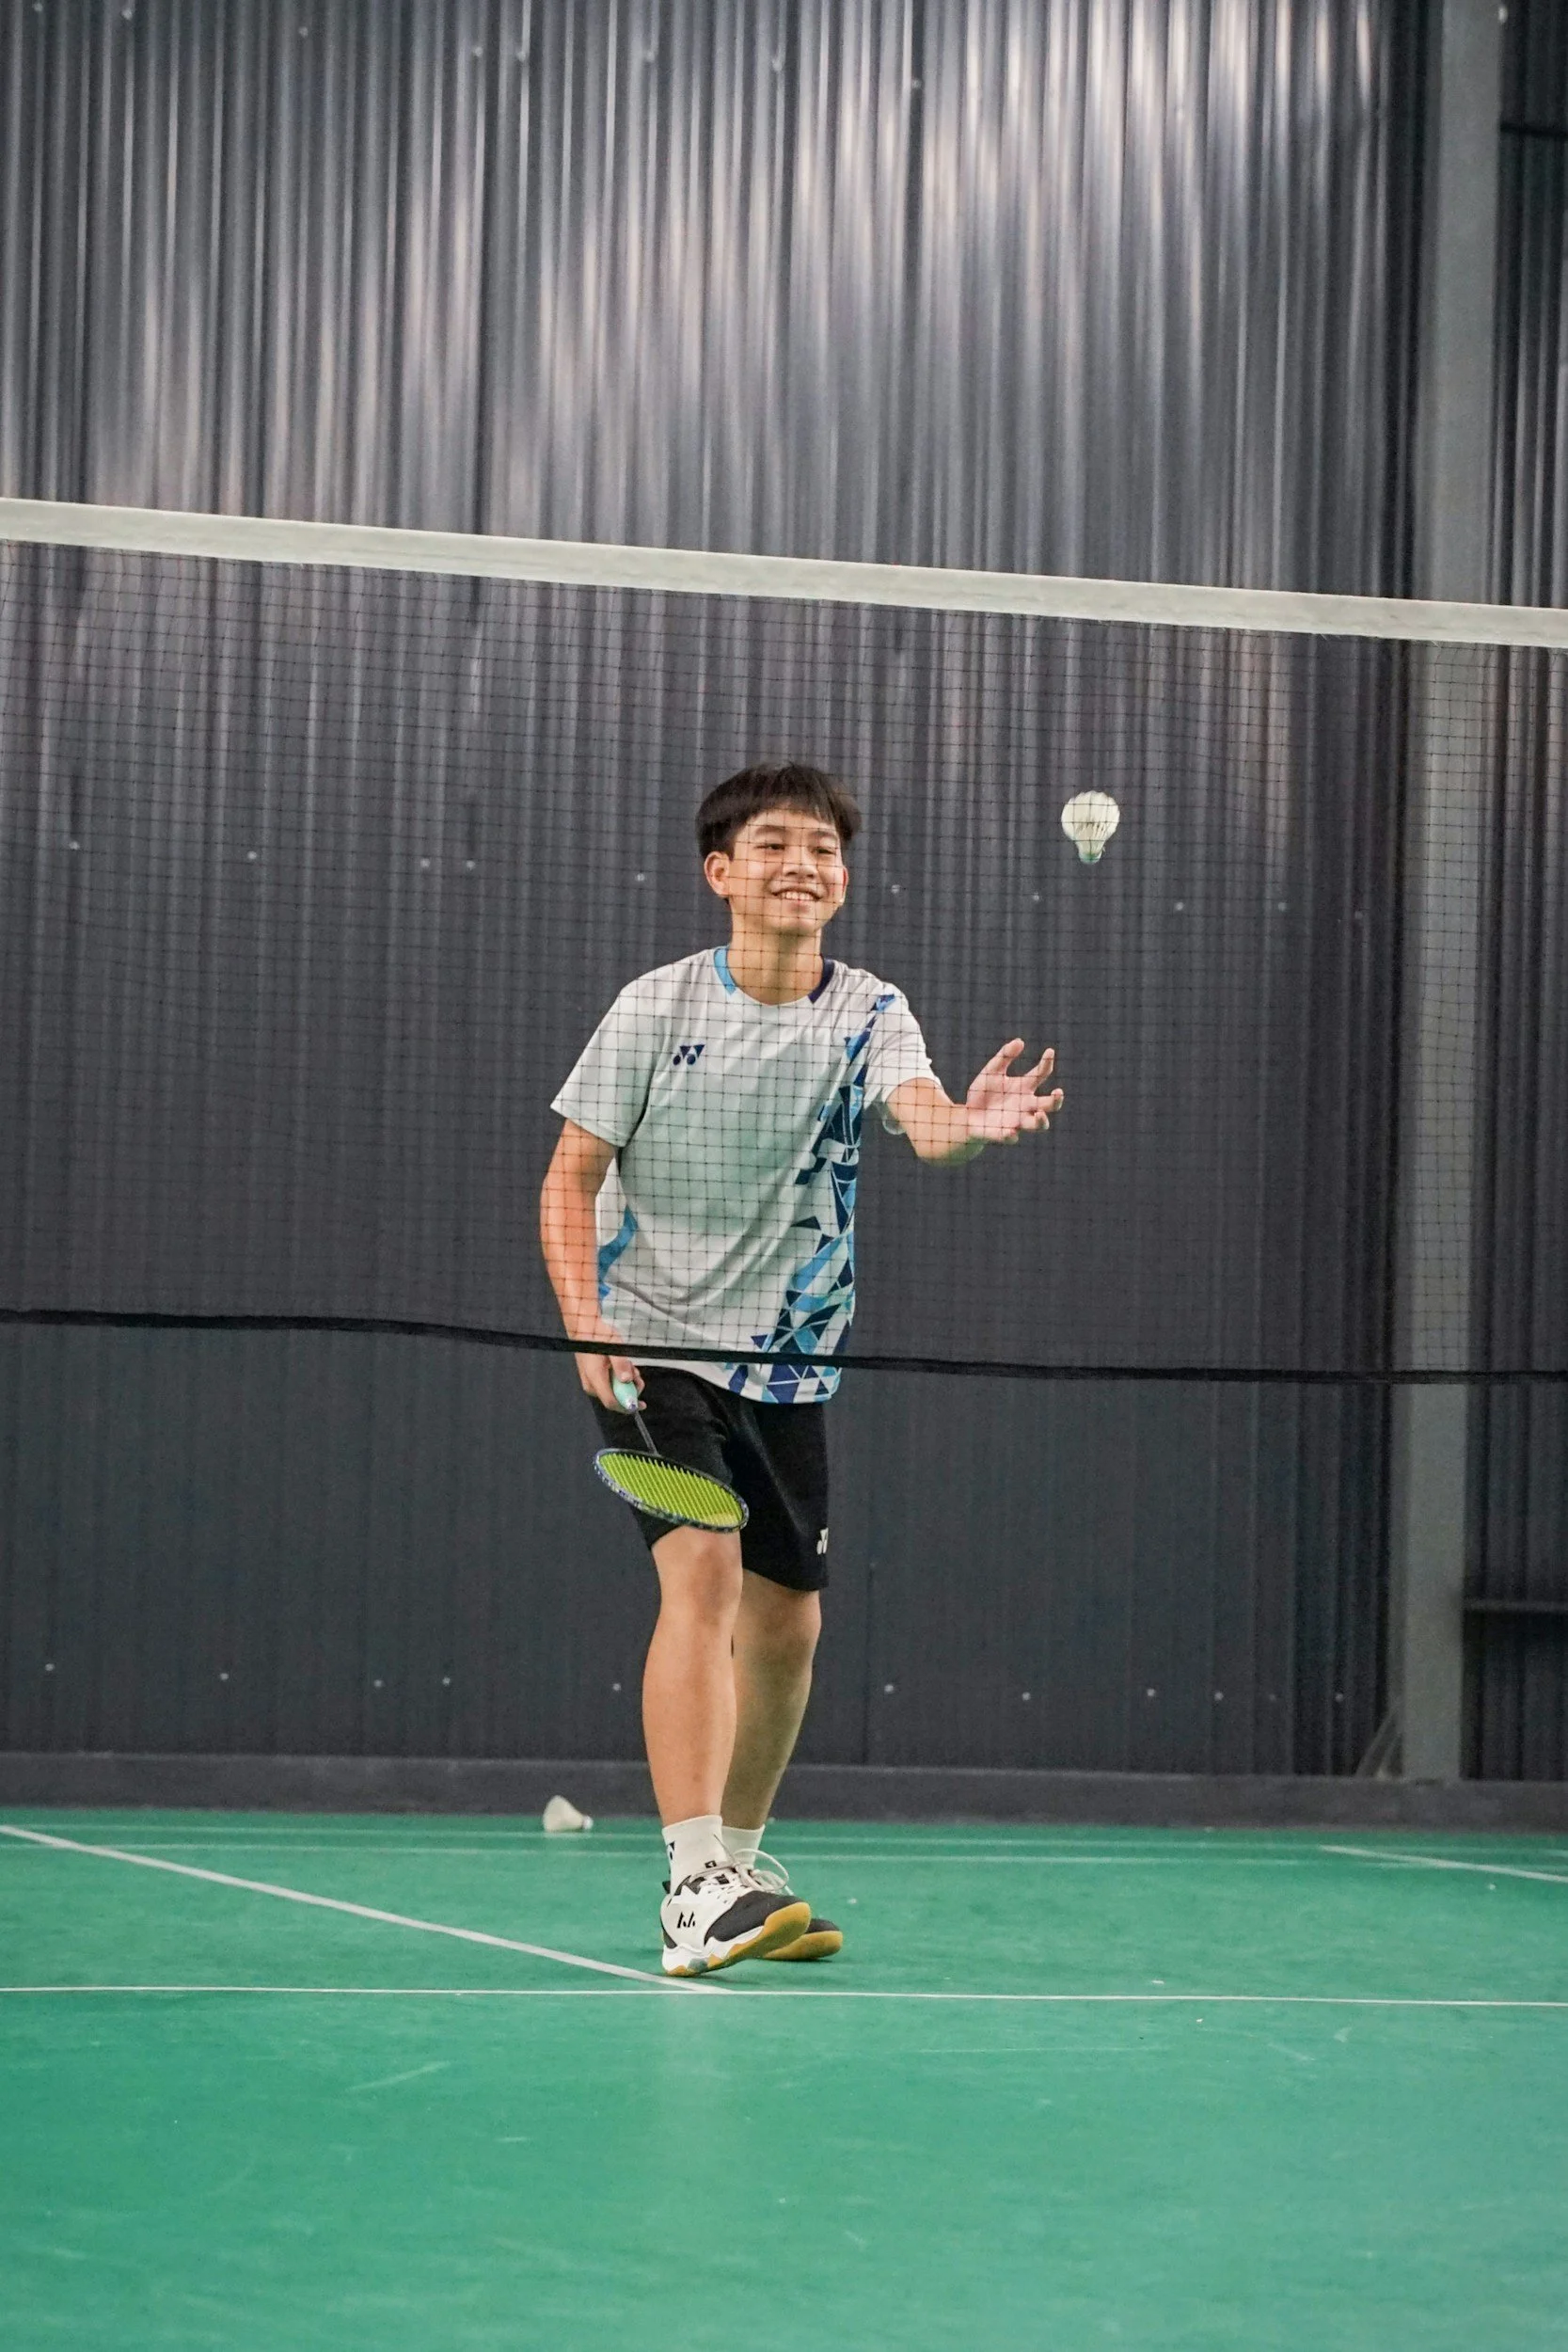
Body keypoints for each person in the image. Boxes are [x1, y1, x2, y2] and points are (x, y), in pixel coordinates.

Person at [540, 760, 1062, 1976]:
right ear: (719, 872)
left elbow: (925, 1121)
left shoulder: (870, 1011)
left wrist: (971, 1129)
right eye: (773, 843)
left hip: (785, 1364)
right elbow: (568, 1179)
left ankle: (739, 1859)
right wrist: (586, 1324)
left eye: (822, 848)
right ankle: (691, 1880)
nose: (801, 864)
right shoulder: (656, 1007)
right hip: (649, 1341)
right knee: (706, 1579)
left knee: (788, 1628)